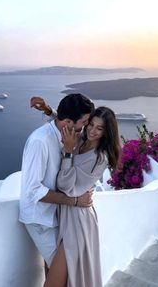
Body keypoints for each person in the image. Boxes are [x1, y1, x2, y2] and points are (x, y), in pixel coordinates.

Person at [44, 106, 121, 287]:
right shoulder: (79, 140)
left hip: (78, 222)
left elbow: (67, 187)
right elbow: (68, 124)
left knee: (53, 283)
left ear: (106, 132)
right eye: (90, 125)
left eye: (99, 128)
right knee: (54, 276)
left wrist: (68, 153)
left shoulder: (99, 159)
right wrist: (49, 111)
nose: (92, 131)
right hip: (64, 214)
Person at [19, 93, 95, 270]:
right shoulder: (40, 142)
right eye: (84, 122)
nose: (86, 127)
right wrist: (75, 201)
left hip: (56, 214)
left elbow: (60, 119)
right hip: (39, 219)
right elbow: (33, 190)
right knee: (63, 272)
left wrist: (49, 110)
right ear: (68, 122)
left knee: (52, 268)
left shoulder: (65, 130)